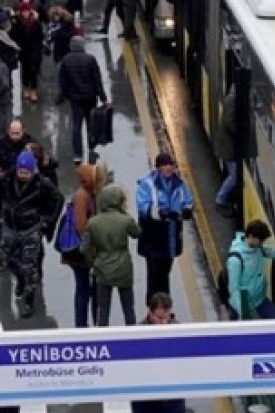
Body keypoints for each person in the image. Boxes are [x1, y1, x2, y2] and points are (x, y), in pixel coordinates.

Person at [0, 150, 64, 318]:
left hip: (30, 229)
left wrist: (49, 220)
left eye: (26, 172)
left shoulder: (42, 184)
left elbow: (58, 199)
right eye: (20, 172)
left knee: (30, 266)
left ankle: (28, 301)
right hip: (10, 227)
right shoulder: (7, 179)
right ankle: (21, 279)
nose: (23, 175)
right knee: (7, 259)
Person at [135, 153, 194, 303]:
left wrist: (187, 210)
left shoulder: (179, 184)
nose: (168, 168)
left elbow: (187, 200)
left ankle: (163, 307)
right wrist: (159, 213)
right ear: (158, 167)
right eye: (165, 165)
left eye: (170, 165)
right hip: (154, 237)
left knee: (165, 272)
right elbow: (143, 208)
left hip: (171, 235)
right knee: (155, 275)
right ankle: (155, 307)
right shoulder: (148, 184)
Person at [60, 161, 111, 328]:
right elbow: (81, 226)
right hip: (82, 252)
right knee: (84, 289)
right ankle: (82, 325)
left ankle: (92, 323)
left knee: (93, 288)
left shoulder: (92, 193)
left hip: (89, 250)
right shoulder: (82, 196)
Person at [82, 184, 140, 326]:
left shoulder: (93, 222)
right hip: (123, 267)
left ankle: (103, 336)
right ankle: (132, 335)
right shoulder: (125, 220)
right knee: (128, 308)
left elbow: (84, 248)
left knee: (103, 309)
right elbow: (137, 233)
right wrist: (124, 213)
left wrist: (93, 261)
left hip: (102, 267)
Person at [225, 220, 275, 320]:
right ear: (251, 236)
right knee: (237, 334)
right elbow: (234, 289)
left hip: (259, 299)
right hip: (240, 305)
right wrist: (243, 313)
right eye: (260, 240)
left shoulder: (258, 248)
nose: (262, 243)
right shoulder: (235, 259)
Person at [57, 36, 108, 164]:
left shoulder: (66, 60)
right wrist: (103, 97)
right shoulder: (90, 59)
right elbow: (97, 80)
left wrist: (63, 95)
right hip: (90, 97)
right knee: (91, 122)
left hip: (75, 98)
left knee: (76, 126)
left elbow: (62, 80)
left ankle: (78, 154)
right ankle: (91, 145)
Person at [133, 292, 186, 413]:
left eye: (167, 317)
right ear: (150, 313)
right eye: (159, 318)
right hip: (146, 397)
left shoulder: (180, 331)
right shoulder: (137, 333)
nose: (163, 322)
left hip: (172, 395)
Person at [9, 0, 45, 103]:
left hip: (34, 51)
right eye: (23, 11)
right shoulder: (16, 23)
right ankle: (26, 87)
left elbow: (40, 36)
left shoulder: (35, 23)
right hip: (23, 51)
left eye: (27, 11)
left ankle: (33, 89)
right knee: (25, 70)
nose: (25, 13)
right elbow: (13, 36)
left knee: (33, 70)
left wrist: (38, 48)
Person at [214, 84, 239, 218]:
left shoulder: (233, 97)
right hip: (228, 146)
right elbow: (229, 122)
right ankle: (220, 201)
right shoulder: (232, 100)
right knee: (234, 176)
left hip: (229, 145)